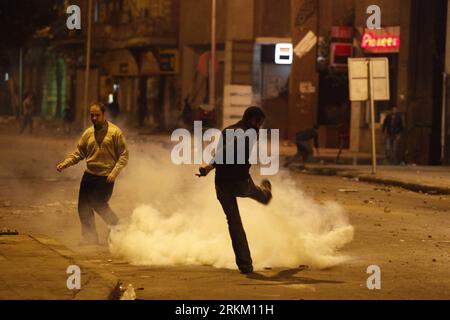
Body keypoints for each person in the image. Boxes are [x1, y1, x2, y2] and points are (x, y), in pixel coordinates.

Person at [197, 106, 273, 274]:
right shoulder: (249, 133)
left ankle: (245, 265)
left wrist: (211, 167)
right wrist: (210, 166)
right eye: (259, 123)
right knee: (254, 192)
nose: (260, 127)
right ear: (254, 119)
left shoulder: (228, 130)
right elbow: (228, 150)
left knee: (234, 223)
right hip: (239, 182)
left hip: (221, 184)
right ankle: (265, 195)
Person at [56, 102, 129, 245]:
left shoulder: (115, 133)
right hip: (89, 175)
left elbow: (123, 155)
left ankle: (118, 229)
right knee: (83, 207)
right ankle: (90, 238)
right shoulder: (88, 133)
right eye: (92, 115)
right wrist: (66, 163)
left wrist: (115, 172)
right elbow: (79, 152)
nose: (94, 118)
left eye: (97, 115)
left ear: (104, 115)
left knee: (99, 204)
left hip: (106, 177)